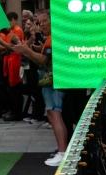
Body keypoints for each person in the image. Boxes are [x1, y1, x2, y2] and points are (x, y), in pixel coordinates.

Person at [13, 10, 67, 166]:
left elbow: (44, 60)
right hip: (50, 81)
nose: (41, 24)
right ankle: (62, 148)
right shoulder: (49, 39)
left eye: (44, 21)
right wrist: (32, 49)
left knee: (54, 114)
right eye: (39, 22)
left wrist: (27, 50)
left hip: (53, 82)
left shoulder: (54, 38)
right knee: (54, 114)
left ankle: (62, 152)